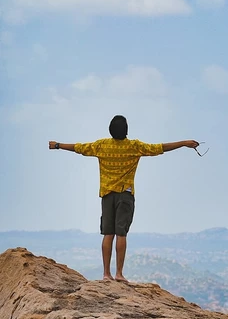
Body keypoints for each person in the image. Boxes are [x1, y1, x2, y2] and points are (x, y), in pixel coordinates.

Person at [48, 114, 199, 282]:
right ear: (126, 130)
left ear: (111, 130)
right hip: (125, 196)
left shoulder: (101, 145)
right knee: (121, 235)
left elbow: (79, 147)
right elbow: (160, 148)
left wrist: (58, 145)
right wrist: (184, 143)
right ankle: (119, 274)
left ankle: (106, 274)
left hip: (107, 195)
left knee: (108, 234)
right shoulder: (134, 146)